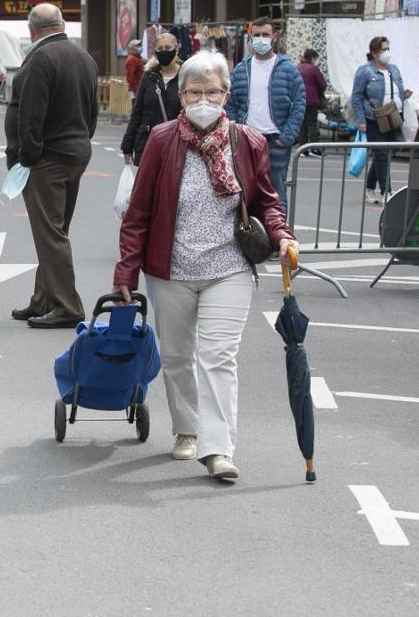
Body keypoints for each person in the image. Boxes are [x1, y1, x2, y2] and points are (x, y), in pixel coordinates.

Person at [114, 51, 298, 480]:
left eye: (211, 92)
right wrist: (126, 271)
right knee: (178, 356)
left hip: (229, 266)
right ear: (181, 96)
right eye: (194, 92)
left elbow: (267, 202)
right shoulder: (161, 140)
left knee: (218, 356)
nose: (203, 99)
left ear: (225, 95)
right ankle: (187, 430)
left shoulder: (247, 142)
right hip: (170, 268)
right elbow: (138, 212)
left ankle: (218, 449)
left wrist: (283, 235)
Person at [6, 3, 98, 330]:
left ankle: (66, 305)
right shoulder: (84, 58)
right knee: (56, 231)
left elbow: (29, 117)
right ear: (62, 24)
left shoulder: (39, 60)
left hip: (48, 158)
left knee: (50, 234)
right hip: (76, 152)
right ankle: (43, 299)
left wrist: (26, 158)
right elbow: (92, 112)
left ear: (32, 31)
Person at [226, 18, 306, 215]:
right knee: (245, 191)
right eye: (257, 35)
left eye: (265, 35)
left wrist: (286, 137)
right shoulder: (241, 69)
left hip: (275, 141)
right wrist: (235, 131)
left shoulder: (287, 69)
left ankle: (279, 240)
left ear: (274, 37)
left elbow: (299, 102)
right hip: (246, 141)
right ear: (250, 38)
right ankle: (250, 237)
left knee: (276, 194)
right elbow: (231, 103)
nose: (261, 39)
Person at [353, 37, 412, 205]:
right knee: (381, 154)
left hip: (393, 116)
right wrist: (361, 120)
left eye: (388, 48)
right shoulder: (365, 71)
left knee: (384, 154)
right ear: (374, 53)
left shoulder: (394, 69)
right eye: (382, 50)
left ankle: (370, 188)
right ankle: (387, 191)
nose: (386, 53)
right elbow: (356, 97)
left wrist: (404, 94)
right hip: (374, 118)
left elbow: (396, 89)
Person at [120, 32, 183, 166]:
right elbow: (137, 112)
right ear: (155, 51)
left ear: (176, 48)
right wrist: (127, 145)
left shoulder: (186, 76)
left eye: (167, 47)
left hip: (178, 145)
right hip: (148, 144)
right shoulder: (148, 77)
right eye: (160, 49)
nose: (164, 51)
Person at [296, 49, 328, 152]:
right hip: (311, 101)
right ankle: (314, 148)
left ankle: (303, 148)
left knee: (302, 125)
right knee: (312, 124)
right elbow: (322, 84)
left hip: (299, 100)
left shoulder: (297, 68)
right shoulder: (313, 69)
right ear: (312, 58)